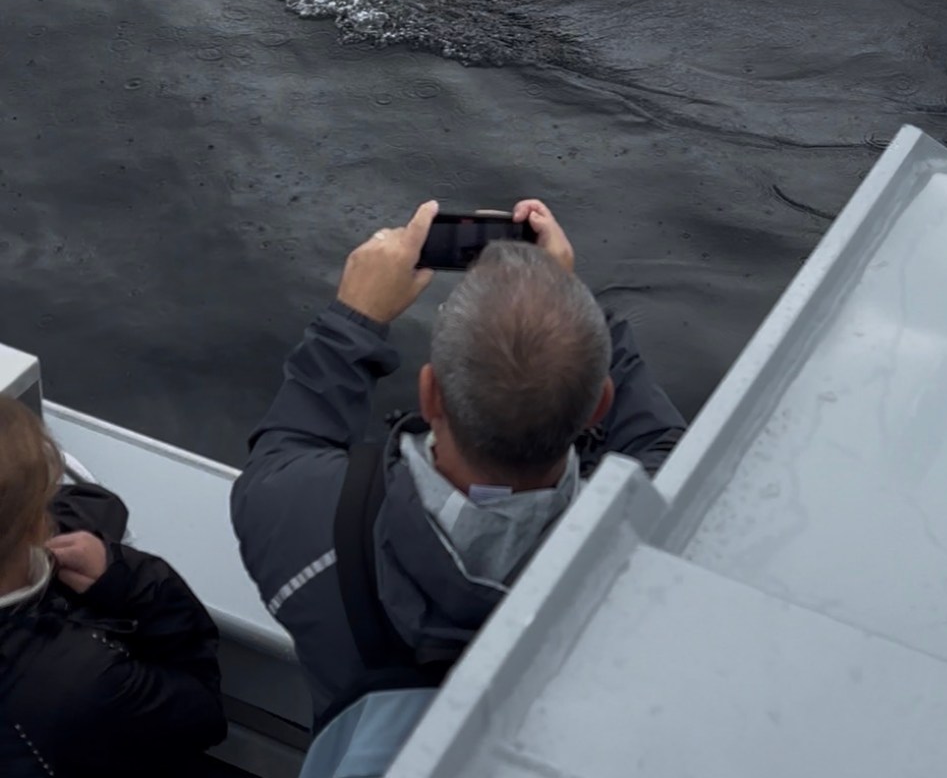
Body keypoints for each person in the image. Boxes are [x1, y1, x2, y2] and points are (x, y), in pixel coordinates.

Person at [231, 199, 686, 734]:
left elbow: (286, 444)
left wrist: (353, 320)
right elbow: (661, 442)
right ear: (600, 405)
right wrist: (559, 299)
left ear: (431, 396)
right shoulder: (657, 543)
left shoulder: (293, 521)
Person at [0, 397, 227, 777]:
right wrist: (132, 580)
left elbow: (96, 505)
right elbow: (202, 714)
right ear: (33, 525)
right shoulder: (82, 680)